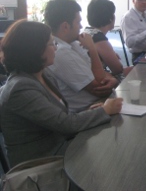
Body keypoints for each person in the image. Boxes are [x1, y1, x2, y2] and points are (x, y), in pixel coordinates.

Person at [0, 20, 123, 167]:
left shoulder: (44, 74)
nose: (56, 49)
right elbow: (65, 124)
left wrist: (92, 112)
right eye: (52, 44)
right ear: (36, 50)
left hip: (59, 146)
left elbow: (59, 118)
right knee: (114, 157)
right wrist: (105, 110)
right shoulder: (19, 89)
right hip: (41, 164)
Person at [44, 0, 119, 113]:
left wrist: (113, 80)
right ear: (65, 26)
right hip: (88, 110)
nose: (81, 26)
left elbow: (100, 72)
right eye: (78, 22)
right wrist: (93, 50)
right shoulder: (61, 52)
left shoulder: (73, 43)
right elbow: (99, 85)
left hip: (101, 103)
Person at [85, 0, 132, 79]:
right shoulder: (98, 38)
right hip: (95, 81)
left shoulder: (87, 32)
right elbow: (118, 69)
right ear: (111, 18)